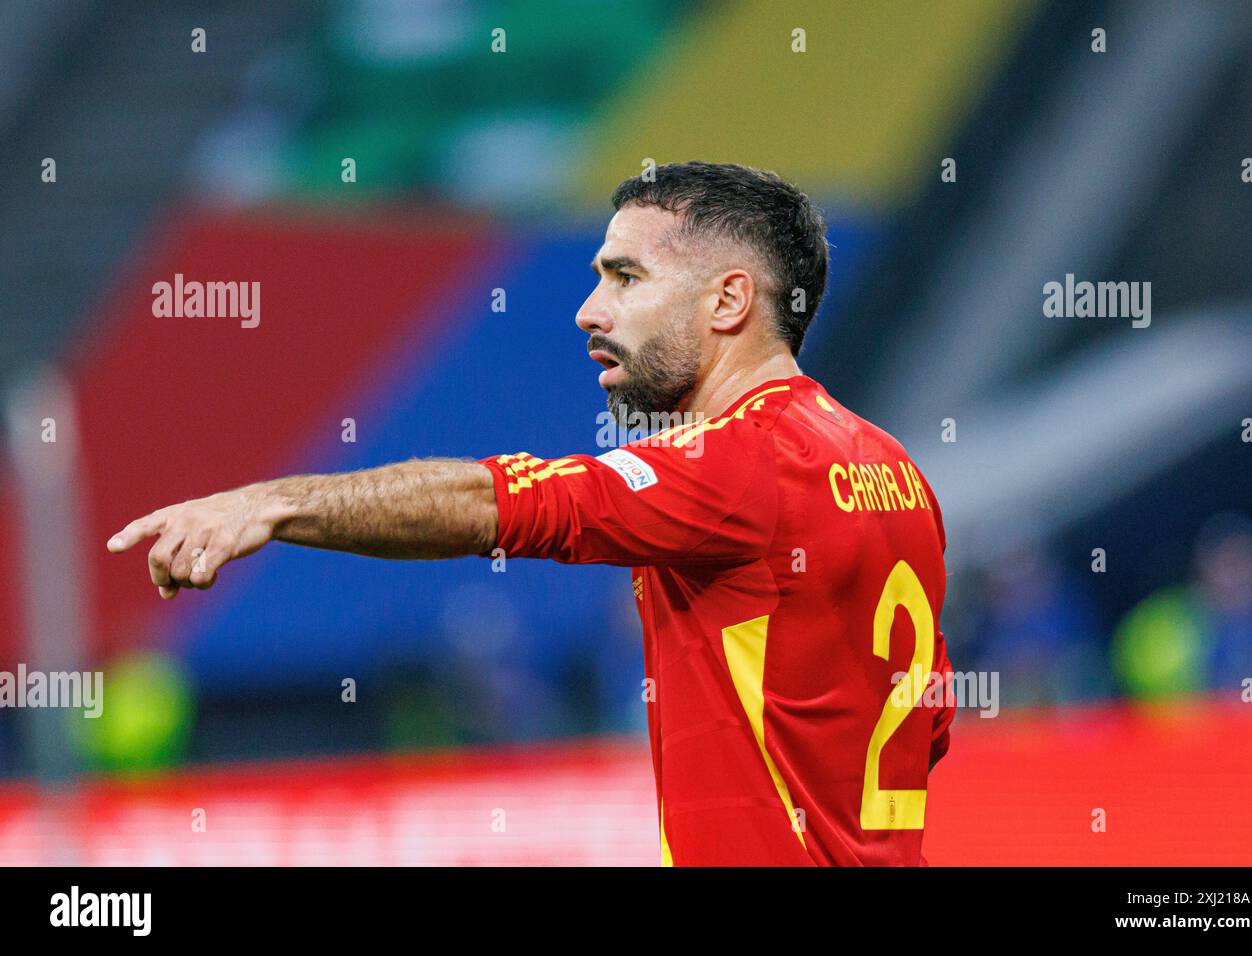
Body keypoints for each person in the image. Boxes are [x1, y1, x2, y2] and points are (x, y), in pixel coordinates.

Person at [108, 161, 955, 865]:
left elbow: (498, 502)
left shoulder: (739, 464)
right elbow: (928, 721)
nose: (591, 311)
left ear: (729, 302)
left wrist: (278, 501)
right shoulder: (894, 472)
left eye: (626, 277)